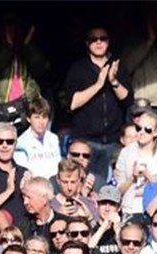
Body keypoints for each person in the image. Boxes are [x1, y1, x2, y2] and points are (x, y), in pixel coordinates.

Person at [64, 25, 130, 188]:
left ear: (108, 42)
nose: (99, 42)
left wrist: (113, 81)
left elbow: (128, 100)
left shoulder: (118, 66)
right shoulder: (78, 68)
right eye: (94, 39)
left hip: (114, 140)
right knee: (85, 185)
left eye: (103, 39)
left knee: (114, 187)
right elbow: (72, 103)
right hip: (87, 141)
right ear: (87, 43)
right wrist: (99, 84)